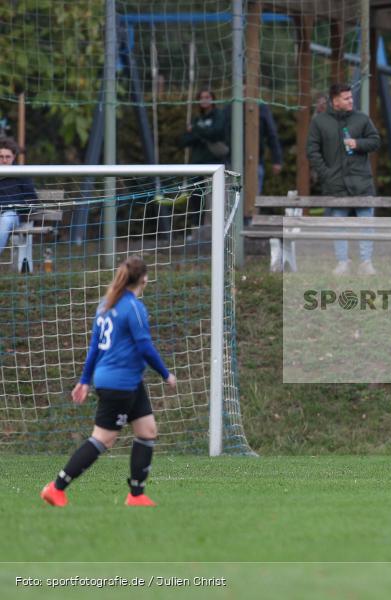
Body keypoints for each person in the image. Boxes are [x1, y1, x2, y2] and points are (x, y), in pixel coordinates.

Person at [40, 256, 177, 508]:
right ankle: (56, 487)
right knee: (103, 439)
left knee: (147, 431)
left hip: (128, 381)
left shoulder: (106, 304)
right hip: (119, 383)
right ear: (144, 279)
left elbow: (94, 348)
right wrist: (166, 374)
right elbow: (145, 347)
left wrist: (84, 380)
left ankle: (136, 495)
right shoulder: (133, 307)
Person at [307, 83, 382, 275]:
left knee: (366, 222)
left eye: (351, 97)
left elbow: (375, 141)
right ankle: (343, 262)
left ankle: (366, 263)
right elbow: (312, 151)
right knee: (338, 223)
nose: (351, 101)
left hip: (361, 182)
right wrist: (326, 174)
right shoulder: (319, 122)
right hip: (335, 183)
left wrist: (358, 143)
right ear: (335, 100)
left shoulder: (362, 118)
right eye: (347, 98)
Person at [178, 88, 229, 233]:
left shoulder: (218, 115)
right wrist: (200, 133)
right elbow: (184, 140)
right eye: (201, 97)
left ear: (213, 98)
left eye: (207, 96)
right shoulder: (196, 119)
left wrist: (195, 130)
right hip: (196, 164)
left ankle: (219, 230)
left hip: (214, 164)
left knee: (214, 199)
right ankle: (196, 230)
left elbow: (216, 133)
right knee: (196, 197)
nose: (204, 100)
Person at [0, 138, 38, 258]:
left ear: (14, 156)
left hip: (12, 215)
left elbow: (32, 200)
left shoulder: (22, 173)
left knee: (6, 219)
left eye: (7, 157)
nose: (4, 160)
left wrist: (11, 206)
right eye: (1, 156)